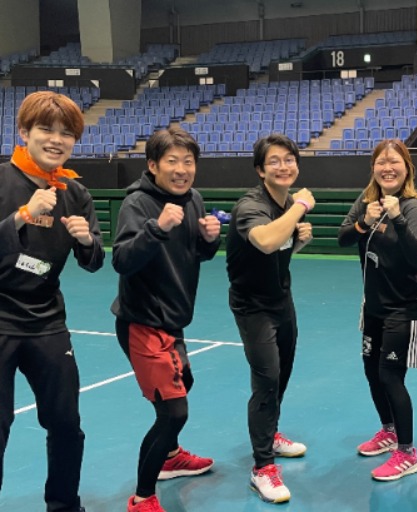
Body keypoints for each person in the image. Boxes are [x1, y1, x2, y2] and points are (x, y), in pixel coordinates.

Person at [0, 91, 103, 512]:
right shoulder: (2, 181)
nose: (56, 139)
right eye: (45, 129)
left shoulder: (75, 193)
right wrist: (21, 216)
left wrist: (87, 240)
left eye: (66, 133)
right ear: (24, 132)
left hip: (46, 323)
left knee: (65, 424)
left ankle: (64, 505)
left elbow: (93, 262)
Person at [111, 127, 221, 512]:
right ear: (153, 165)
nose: (181, 169)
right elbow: (122, 259)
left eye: (188, 161)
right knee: (173, 412)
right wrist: (157, 228)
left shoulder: (194, 199)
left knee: (184, 384)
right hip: (143, 322)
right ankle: (142, 497)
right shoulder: (137, 204)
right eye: (172, 161)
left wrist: (210, 240)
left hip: (173, 322)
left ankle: (170, 458)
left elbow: (196, 254)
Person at [226, 133, 314, 504]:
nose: (283, 166)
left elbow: (279, 247)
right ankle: (262, 467)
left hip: (282, 300)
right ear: (261, 170)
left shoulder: (287, 203)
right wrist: (301, 208)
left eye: (289, 159)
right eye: (274, 161)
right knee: (267, 379)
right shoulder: (251, 205)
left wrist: (299, 239)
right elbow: (263, 240)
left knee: (283, 374)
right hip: (252, 306)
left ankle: (271, 434)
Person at [338, 139, 417, 481]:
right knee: (372, 371)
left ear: (406, 168)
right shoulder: (365, 201)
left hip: (404, 309)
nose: (388, 168)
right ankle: (389, 430)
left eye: (395, 162)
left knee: (391, 375)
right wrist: (364, 222)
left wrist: (398, 219)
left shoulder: (412, 207)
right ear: (373, 167)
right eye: (381, 162)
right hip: (373, 306)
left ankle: (407, 452)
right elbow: (343, 237)